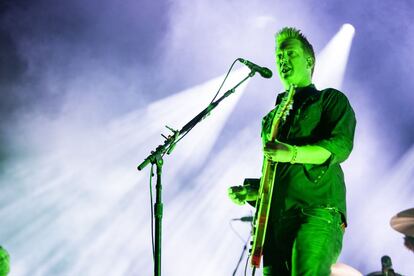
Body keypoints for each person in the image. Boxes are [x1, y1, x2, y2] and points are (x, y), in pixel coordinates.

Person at [228, 27, 356, 275]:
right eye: (279, 56)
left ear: (309, 61)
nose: (282, 60)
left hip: (315, 211)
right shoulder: (270, 119)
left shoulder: (329, 100)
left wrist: (293, 153)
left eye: (290, 54)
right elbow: (279, 176)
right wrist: (252, 192)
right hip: (275, 223)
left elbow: (340, 146)